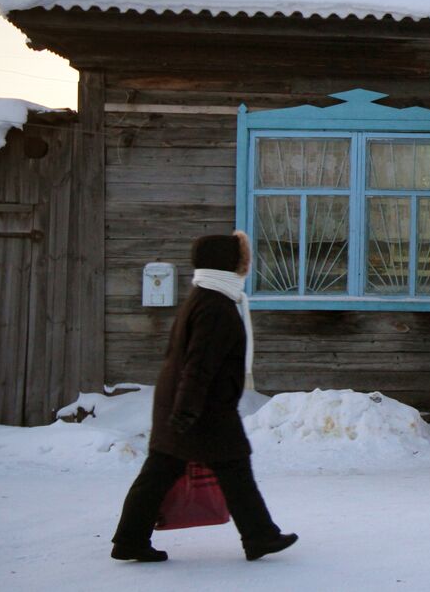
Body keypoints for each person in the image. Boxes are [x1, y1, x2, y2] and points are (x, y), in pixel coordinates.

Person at [111, 230, 297, 563]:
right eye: (243, 261)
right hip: (202, 410)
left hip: (194, 406)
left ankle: (258, 536)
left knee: (172, 472)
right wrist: (185, 413)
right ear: (228, 264)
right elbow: (198, 366)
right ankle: (259, 536)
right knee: (216, 469)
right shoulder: (216, 308)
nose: (246, 268)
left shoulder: (205, 297)